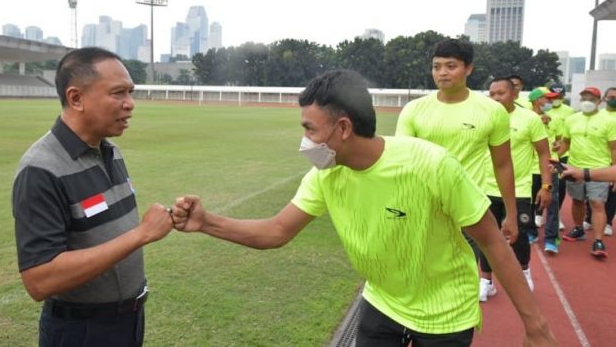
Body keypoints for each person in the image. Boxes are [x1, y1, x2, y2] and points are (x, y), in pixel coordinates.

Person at [172, 70, 556, 346]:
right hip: (381, 302)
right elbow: (276, 232)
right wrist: (207, 222)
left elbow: (492, 243)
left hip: (444, 314)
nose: (304, 140)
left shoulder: (430, 164)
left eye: (309, 128)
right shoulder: (326, 174)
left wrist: (536, 326)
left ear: (342, 128)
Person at [12, 47, 179, 346]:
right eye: (118, 93)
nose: (130, 105)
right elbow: (39, 280)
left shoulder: (111, 151)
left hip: (128, 320)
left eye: (131, 92)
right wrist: (141, 234)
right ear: (76, 98)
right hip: (81, 332)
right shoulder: (40, 170)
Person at [395, 38, 518, 252]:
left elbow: (503, 165)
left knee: (465, 279)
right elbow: (401, 162)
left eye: (451, 66)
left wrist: (511, 214)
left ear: (468, 68)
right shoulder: (413, 109)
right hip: (422, 209)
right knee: (420, 276)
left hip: (469, 212)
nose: (442, 72)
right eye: (437, 66)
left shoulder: (492, 111)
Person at [478, 79, 552, 302]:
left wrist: (546, 186)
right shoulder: (484, 118)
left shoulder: (530, 119)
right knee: (486, 235)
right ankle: (487, 281)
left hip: (518, 188)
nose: (496, 98)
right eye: (492, 94)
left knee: (518, 234)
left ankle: (524, 271)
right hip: (485, 186)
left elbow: (543, 153)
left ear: (514, 95)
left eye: (501, 93)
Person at [558, 86, 616, 259]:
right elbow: (566, 142)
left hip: (599, 170)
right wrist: (554, 157)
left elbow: (614, 149)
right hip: (574, 168)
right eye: (584, 98)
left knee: (597, 204)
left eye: (591, 99)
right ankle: (578, 228)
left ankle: (598, 240)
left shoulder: (609, 121)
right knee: (577, 201)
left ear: (599, 101)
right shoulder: (572, 119)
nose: (587, 102)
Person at [526, 87, 563, 253]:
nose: (550, 102)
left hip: (550, 168)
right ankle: (531, 231)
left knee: (552, 204)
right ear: (536, 100)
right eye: (547, 98)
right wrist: (537, 121)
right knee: (529, 203)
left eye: (551, 99)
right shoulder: (524, 117)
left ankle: (551, 239)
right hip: (528, 168)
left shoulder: (553, 119)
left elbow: (559, 140)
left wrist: (557, 145)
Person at [544, 83, 575, 231]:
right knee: (541, 184)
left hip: (562, 153)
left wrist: (560, 147)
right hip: (543, 153)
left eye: (559, 96)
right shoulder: (542, 109)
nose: (556, 99)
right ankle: (538, 212)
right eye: (553, 96)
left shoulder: (570, 111)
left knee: (560, 186)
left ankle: (557, 214)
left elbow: (568, 134)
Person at [602, 87, 616, 236]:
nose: (613, 99)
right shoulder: (599, 115)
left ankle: (608, 222)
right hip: (599, 158)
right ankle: (588, 217)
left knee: (613, 192)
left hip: (614, 160)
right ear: (604, 98)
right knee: (594, 191)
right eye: (610, 96)